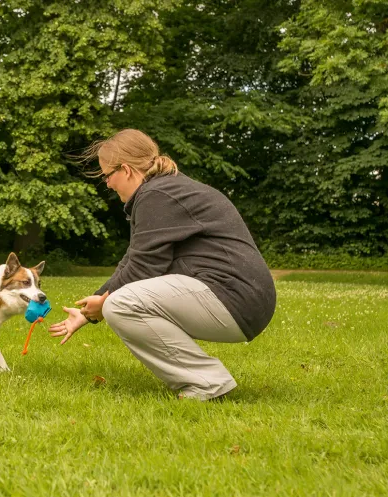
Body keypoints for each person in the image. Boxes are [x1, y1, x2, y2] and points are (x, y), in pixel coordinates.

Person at [49, 129, 276, 400]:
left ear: (126, 170)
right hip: (241, 299)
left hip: (235, 299)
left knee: (120, 305)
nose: (107, 184)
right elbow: (134, 260)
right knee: (116, 301)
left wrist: (101, 305)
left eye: (107, 175)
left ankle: (207, 383)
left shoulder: (158, 195)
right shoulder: (165, 190)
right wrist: (90, 310)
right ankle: (205, 381)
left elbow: (143, 270)